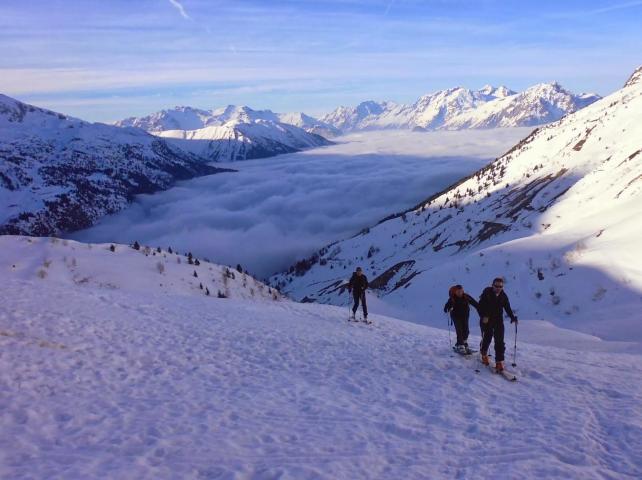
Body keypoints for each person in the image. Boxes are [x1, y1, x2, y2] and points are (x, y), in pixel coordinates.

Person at [478, 277, 518, 372]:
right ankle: (484, 354)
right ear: (493, 285)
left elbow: (507, 307)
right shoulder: (486, 294)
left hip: (498, 320)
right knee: (487, 337)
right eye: (496, 286)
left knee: (500, 341)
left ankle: (499, 362)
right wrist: (484, 316)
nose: (498, 288)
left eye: (500, 286)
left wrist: (512, 317)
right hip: (487, 320)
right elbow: (479, 307)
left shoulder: (503, 296)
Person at [444, 284, 480, 354]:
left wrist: (481, 309)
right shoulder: (452, 298)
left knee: (466, 331)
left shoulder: (466, 296)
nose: (460, 293)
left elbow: (475, 303)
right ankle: (460, 345)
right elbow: (445, 308)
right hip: (456, 316)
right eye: (458, 291)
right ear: (455, 292)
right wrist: (449, 308)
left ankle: (464, 344)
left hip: (465, 316)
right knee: (459, 330)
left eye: (461, 291)